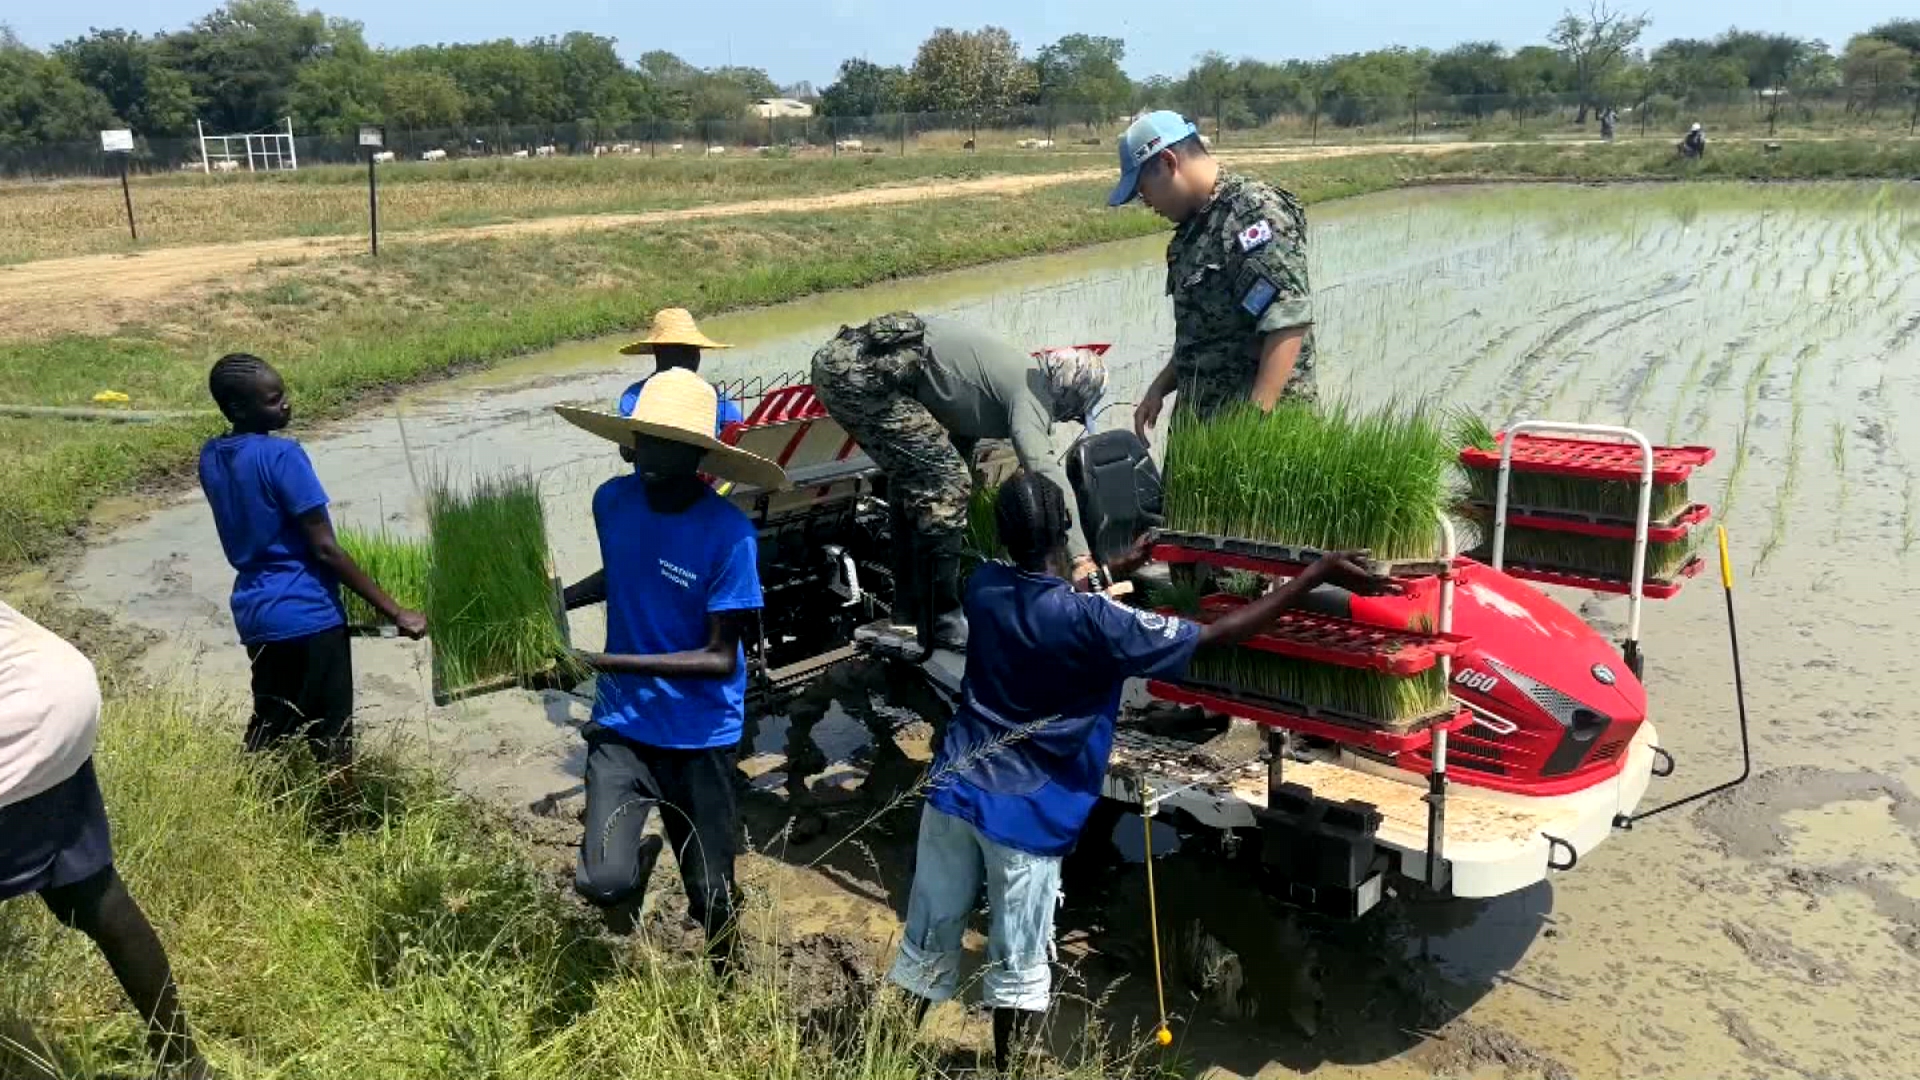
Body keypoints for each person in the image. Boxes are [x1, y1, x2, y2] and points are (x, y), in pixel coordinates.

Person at [886, 472, 1395, 1074]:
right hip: (1022, 817)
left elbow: (1047, 592)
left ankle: (887, 1048)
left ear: (1004, 534)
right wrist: (1311, 578)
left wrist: (1108, 570)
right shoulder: (1095, 624)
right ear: (1062, 531)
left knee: (927, 938)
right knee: (1018, 966)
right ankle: (1010, 1070)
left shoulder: (985, 586)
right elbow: (1215, 636)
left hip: (951, 792)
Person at [553, 370, 788, 970]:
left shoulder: (729, 534)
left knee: (711, 893)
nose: (651, 459)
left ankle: (727, 974)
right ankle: (638, 857)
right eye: (644, 442)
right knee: (603, 881)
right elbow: (627, 572)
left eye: (671, 447)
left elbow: (718, 659)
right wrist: (554, 607)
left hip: (698, 736)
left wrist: (597, 662)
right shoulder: (612, 501)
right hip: (623, 726)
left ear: (701, 456)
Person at [1, 602, 214, 1079]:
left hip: (15, 718)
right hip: (53, 693)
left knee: (92, 892)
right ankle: (185, 1065)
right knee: (91, 888)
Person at [810, 313, 1108, 651]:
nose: (1064, 418)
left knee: (918, 477)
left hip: (843, 365)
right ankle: (941, 622)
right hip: (860, 376)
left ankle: (908, 609)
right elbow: (1043, 470)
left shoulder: (1013, 372)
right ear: (1069, 396)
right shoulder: (1032, 393)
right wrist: (1082, 557)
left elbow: (958, 434)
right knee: (946, 482)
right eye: (1072, 413)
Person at [197, 354, 426, 769]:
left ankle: (247, 803)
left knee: (272, 723)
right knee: (333, 737)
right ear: (238, 409)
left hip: (256, 614)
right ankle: (341, 827)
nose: (285, 404)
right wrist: (397, 611)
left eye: (283, 393)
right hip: (307, 615)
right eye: (272, 399)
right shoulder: (282, 456)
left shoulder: (212, 456)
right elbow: (325, 548)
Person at [1111, 111, 1318, 442]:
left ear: (1167, 162)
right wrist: (1159, 388)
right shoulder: (1191, 233)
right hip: (1201, 433)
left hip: (1260, 438)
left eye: (1142, 189)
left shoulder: (1253, 211)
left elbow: (1287, 318)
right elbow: (1204, 338)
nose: (1145, 203)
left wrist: (1255, 421)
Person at [616, 308, 744, 435]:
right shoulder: (710, 394)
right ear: (659, 353)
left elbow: (737, 428)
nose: (693, 356)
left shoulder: (633, 395)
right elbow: (739, 432)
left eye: (693, 350)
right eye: (683, 351)